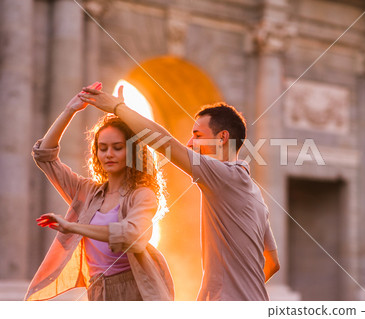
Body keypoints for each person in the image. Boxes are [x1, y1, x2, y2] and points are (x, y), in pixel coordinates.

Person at [79, 85, 280, 301]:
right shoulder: (254, 192)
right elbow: (273, 262)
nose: (190, 143)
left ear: (222, 138)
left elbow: (165, 143)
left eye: (197, 135)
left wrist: (118, 108)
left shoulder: (224, 175)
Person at [25, 83, 174, 301]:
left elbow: (130, 234)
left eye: (117, 147)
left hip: (135, 291)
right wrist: (70, 110)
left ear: (132, 150)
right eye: (102, 148)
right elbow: (44, 156)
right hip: (97, 292)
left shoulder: (142, 194)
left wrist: (73, 227)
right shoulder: (86, 192)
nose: (109, 154)